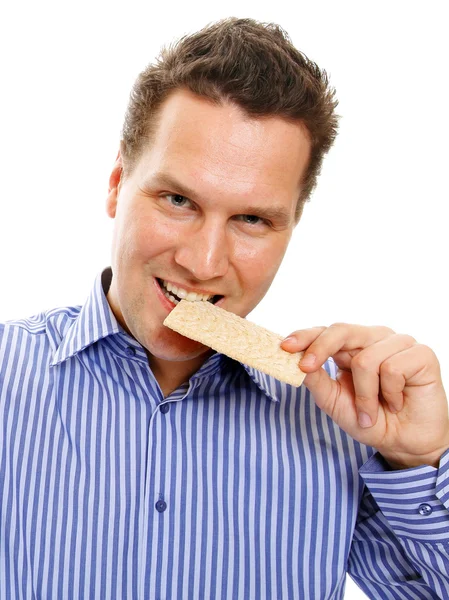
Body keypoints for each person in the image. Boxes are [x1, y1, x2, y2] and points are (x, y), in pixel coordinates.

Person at [1, 16, 448, 600]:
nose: (205, 262)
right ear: (116, 184)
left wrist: (422, 460)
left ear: (291, 227)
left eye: (252, 219)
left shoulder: (342, 422)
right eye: (178, 199)